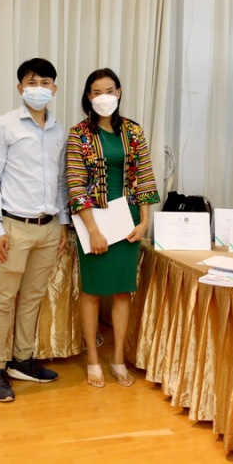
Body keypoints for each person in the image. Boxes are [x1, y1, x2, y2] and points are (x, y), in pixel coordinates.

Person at [0, 57, 69, 403]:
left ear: (54, 89)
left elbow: (59, 181)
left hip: (48, 228)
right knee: (3, 299)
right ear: (20, 88)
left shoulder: (59, 129)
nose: (39, 89)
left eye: (45, 83)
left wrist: (62, 223)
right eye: (32, 82)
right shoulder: (4, 126)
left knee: (33, 297)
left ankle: (22, 360)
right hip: (14, 227)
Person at [66, 68, 160, 387]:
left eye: (109, 90)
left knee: (123, 290)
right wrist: (93, 230)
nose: (103, 97)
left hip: (128, 219)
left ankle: (118, 358)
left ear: (118, 93)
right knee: (92, 291)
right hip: (91, 220)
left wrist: (144, 221)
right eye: (96, 92)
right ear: (88, 96)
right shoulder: (79, 134)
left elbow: (144, 177)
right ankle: (93, 358)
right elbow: (75, 184)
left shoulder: (133, 131)